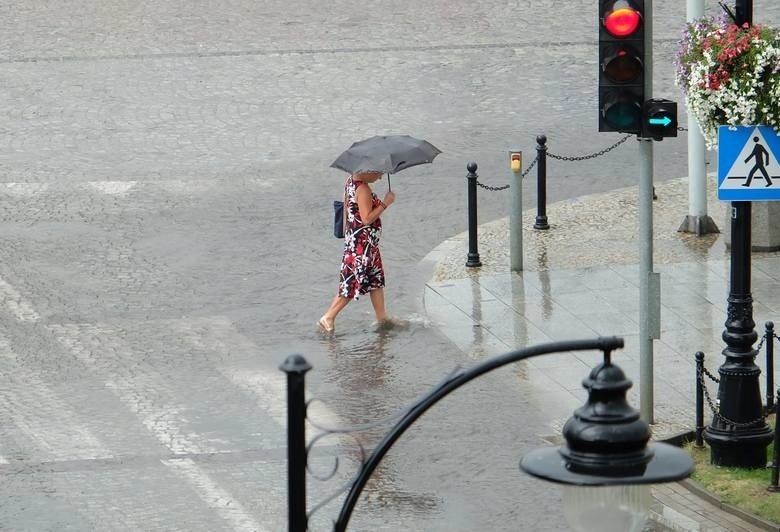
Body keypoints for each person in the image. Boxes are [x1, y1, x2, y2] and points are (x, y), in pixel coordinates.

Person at [318, 170, 395, 333]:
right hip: (362, 245)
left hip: (360, 242)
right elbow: (367, 219)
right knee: (353, 280)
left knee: (376, 279)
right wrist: (385, 203)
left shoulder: (350, 181)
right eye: (378, 173)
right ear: (367, 171)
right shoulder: (363, 189)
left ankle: (382, 317)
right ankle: (328, 316)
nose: (380, 177)